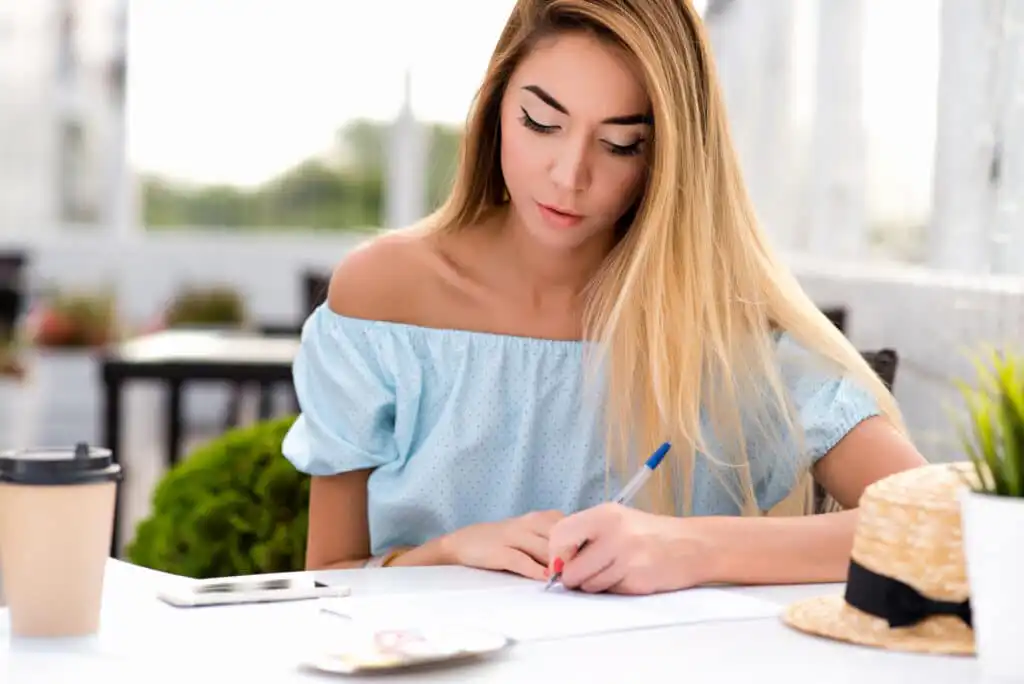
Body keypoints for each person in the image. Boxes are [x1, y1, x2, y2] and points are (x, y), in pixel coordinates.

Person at [282, 0, 927, 595]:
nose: (570, 176)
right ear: (494, 109)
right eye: (541, 122)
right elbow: (327, 579)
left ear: (670, 157)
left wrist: (693, 548)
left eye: (621, 144)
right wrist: (451, 551)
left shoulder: (723, 328)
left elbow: (936, 522)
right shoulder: (386, 294)